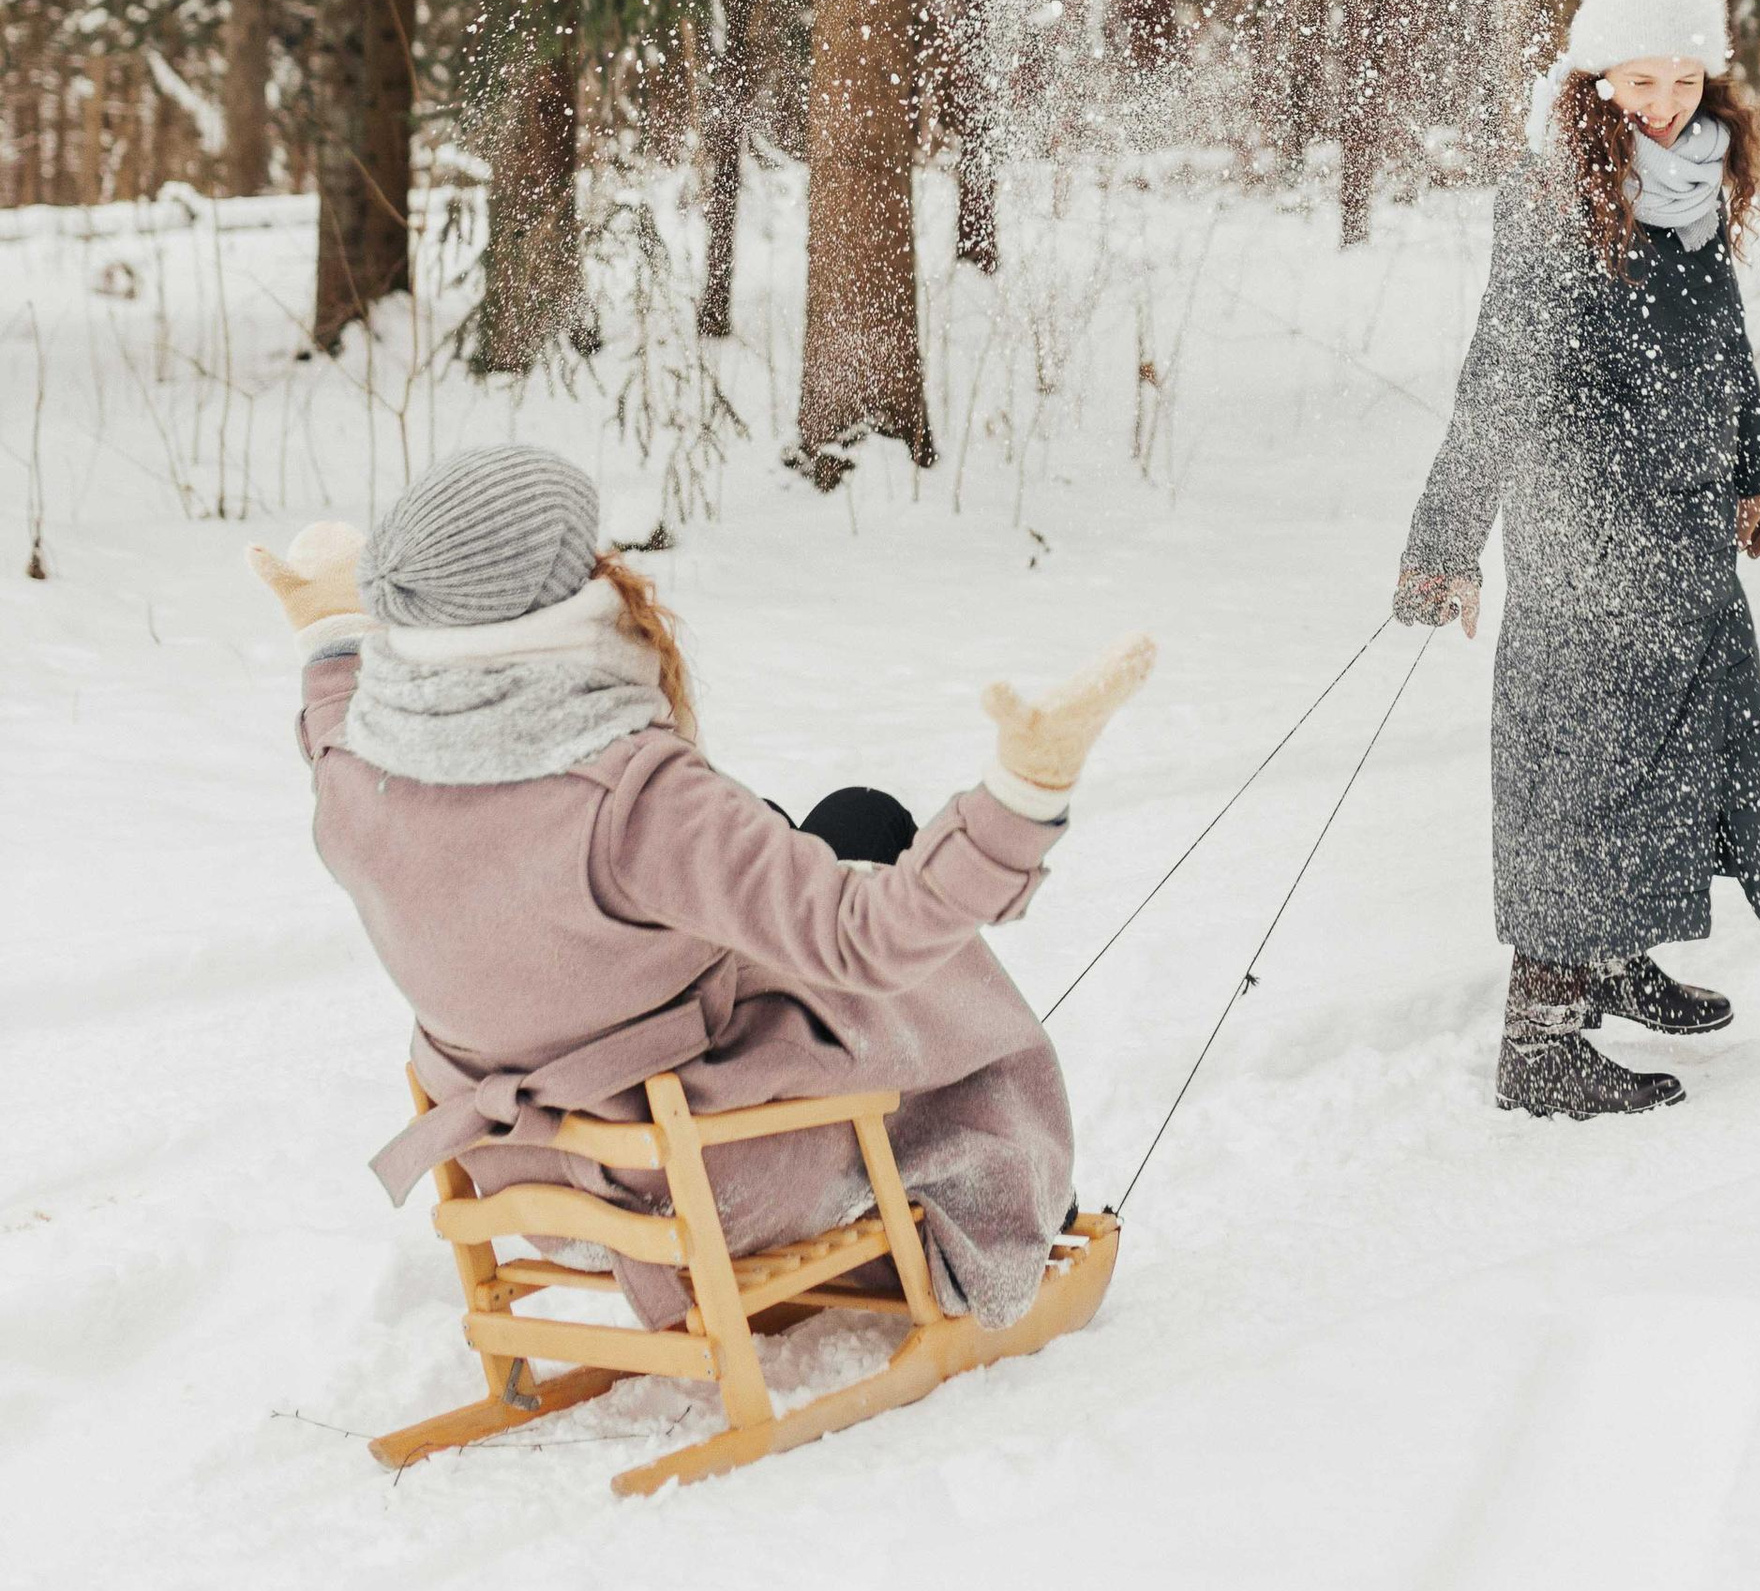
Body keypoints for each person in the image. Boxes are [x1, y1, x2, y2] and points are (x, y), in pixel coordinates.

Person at [249, 446, 1153, 1327]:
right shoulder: (634, 800)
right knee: (909, 936)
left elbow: (332, 710)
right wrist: (1021, 797)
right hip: (711, 1177)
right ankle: (1002, 1212)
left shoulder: (357, 779)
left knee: (843, 823)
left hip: (525, 1174)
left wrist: (331, 632)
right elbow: (867, 936)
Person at [1394, 0, 1760, 1118]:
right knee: (1581, 771)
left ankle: (1614, 957)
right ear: (1595, 78)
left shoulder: (1693, 189)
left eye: (1684, 79)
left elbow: (1721, 348)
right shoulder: (1553, 194)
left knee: (1671, 750)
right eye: (1639, 81)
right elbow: (1498, 375)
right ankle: (1542, 1042)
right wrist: (1445, 543)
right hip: (1587, 532)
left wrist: (1753, 470)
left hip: (1682, 533)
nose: (1664, 105)